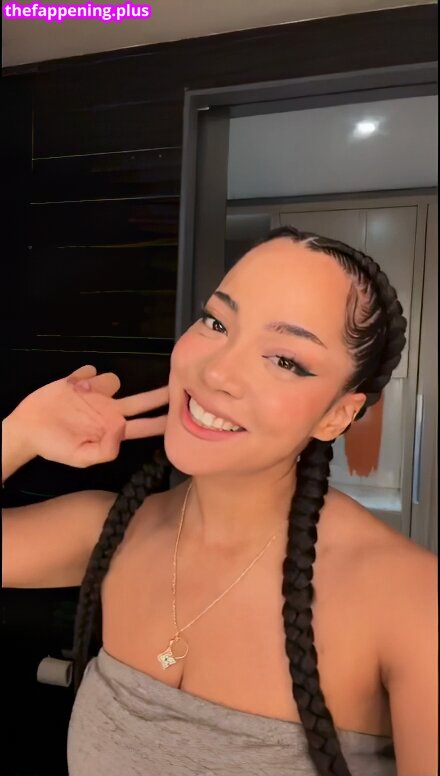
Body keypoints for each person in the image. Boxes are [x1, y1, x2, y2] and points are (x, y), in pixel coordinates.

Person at [2, 226, 437, 776]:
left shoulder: (414, 604)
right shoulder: (110, 531)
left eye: (285, 360)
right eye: (216, 322)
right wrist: (18, 434)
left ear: (337, 415)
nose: (216, 372)